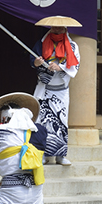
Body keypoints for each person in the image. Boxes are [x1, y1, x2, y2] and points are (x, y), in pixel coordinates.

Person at [31, 23, 80, 165]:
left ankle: (60, 156)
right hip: (44, 89)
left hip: (61, 91)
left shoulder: (73, 46)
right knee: (41, 122)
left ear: (65, 29)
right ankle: (41, 155)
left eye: (60, 28)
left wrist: (60, 67)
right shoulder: (41, 43)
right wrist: (37, 62)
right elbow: (32, 60)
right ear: (50, 28)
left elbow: (75, 65)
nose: (57, 30)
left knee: (61, 122)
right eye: (55, 27)